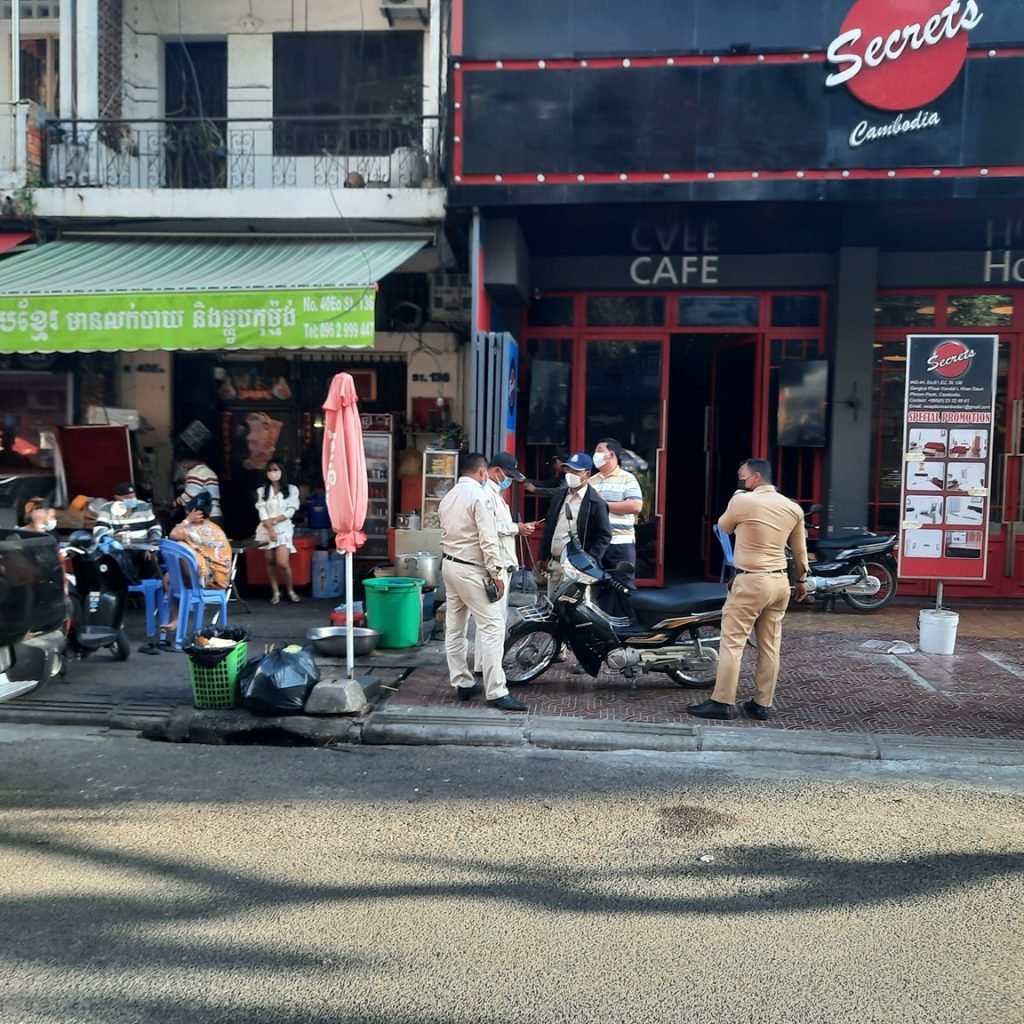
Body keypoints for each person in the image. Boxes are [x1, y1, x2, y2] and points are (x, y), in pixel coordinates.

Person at [687, 458, 809, 722]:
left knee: (732, 643)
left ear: (755, 478)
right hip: (779, 584)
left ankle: (722, 701)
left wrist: (736, 497)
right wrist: (802, 580)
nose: (741, 481)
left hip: (751, 581)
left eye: (742, 477)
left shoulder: (742, 500)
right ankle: (761, 704)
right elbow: (799, 551)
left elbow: (724, 526)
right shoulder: (792, 507)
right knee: (770, 646)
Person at [439, 452, 526, 712]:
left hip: (449, 565)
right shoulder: (479, 496)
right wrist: (496, 574)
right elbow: (488, 540)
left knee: (455, 627)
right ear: (483, 472)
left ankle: (462, 683)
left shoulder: (448, 497)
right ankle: (496, 690)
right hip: (472, 569)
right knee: (492, 627)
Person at [472, 451, 539, 675]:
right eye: (507, 475)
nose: (509, 480)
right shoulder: (485, 494)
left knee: (495, 620)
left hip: (502, 562)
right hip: (495, 564)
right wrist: (516, 528)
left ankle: (488, 663)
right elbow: (490, 527)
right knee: (492, 621)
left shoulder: (496, 493)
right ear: (496, 471)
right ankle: (487, 667)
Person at [538, 452, 612, 599]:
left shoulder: (595, 503)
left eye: (576, 471)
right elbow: (549, 528)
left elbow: (604, 535)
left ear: (587, 474)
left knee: (575, 612)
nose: (571, 474)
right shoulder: (559, 496)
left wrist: (590, 560)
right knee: (552, 610)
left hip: (577, 569)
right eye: (569, 470)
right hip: (555, 564)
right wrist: (542, 555)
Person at [589, 437, 644, 616]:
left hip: (621, 542)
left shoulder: (628, 479)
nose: (595, 454)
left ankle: (630, 627)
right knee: (601, 587)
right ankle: (606, 629)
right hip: (598, 543)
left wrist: (603, 504)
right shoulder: (591, 481)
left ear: (611, 454)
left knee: (624, 586)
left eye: (599, 450)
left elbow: (636, 506)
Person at [254, 460, 301, 605]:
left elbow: (291, 510)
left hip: (284, 527)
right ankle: (275, 591)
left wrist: (274, 522)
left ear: (282, 471)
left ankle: (290, 590)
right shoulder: (262, 491)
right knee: (269, 560)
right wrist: (269, 527)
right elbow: (261, 510)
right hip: (265, 528)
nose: (273, 473)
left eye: (276, 469)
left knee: (282, 562)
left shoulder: (292, 489)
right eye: (270, 470)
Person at [92, 481, 163, 577]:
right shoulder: (107, 508)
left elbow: (154, 527)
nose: (132, 500)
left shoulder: (143, 506)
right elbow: (99, 530)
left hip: (142, 547)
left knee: (152, 558)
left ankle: (146, 586)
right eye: (127, 498)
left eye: (133, 496)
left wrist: (152, 546)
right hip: (118, 548)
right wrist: (112, 534)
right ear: (117, 498)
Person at [174, 452, 223, 524]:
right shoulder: (209, 471)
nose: (183, 466)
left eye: (182, 463)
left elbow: (189, 496)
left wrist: (176, 502)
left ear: (186, 461)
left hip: (204, 516)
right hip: (216, 514)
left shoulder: (195, 473)